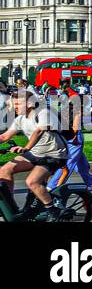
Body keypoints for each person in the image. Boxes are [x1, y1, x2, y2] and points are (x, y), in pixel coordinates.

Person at [0, 88, 68, 220]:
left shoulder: (43, 113)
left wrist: (25, 148)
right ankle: (11, 208)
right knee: (4, 170)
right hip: (36, 153)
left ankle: (53, 210)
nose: (15, 107)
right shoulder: (20, 119)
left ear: (29, 103)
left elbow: (39, 131)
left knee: (32, 181)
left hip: (53, 155)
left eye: (18, 104)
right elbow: (4, 137)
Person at [50, 86, 92, 191]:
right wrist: (75, 137)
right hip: (75, 138)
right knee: (70, 162)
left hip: (65, 136)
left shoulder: (64, 109)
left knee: (81, 162)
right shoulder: (77, 111)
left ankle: (90, 181)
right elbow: (76, 127)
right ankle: (53, 185)